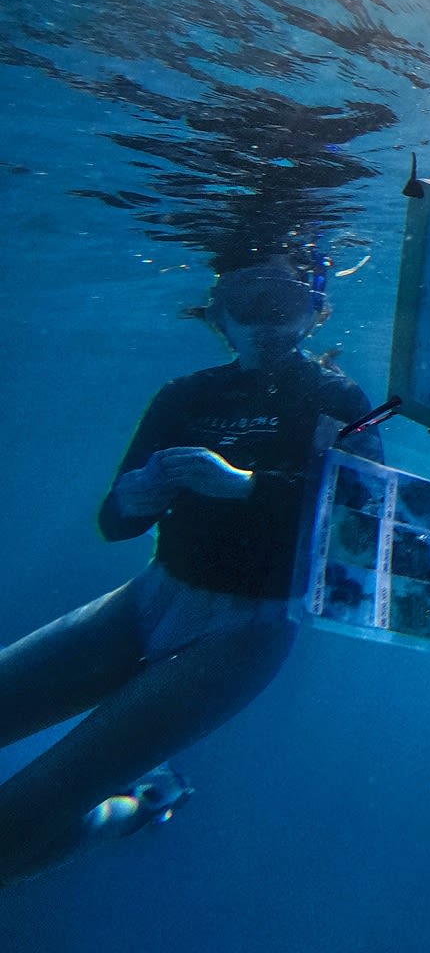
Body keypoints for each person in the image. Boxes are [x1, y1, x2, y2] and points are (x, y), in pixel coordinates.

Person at [0, 250, 381, 888]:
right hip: (149, 595)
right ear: (217, 318)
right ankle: (137, 803)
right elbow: (115, 523)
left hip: (246, 632)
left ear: (313, 315)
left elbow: (363, 530)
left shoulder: (338, 398)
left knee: (19, 819)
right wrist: (134, 496)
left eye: (282, 304)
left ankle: (128, 813)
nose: (264, 322)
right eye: (245, 304)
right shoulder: (185, 395)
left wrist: (246, 488)